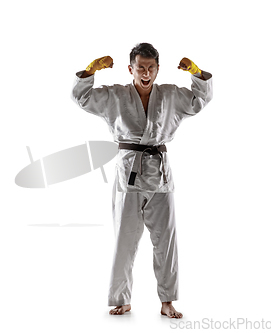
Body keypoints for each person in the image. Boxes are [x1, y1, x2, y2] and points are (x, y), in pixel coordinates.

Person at [71, 43, 213, 318]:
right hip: (129, 174)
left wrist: (196, 73)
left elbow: (200, 100)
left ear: (157, 70)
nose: (146, 73)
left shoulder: (171, 94)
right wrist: (90, 71)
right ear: (130, 69)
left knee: (166, 240)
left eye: (151, 68)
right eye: (140, 68)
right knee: (125, 238)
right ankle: (121, 298)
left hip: (160, 174)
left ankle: (167, 300)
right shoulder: (116, 95)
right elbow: (82, 97)